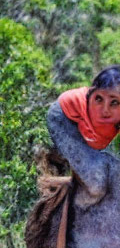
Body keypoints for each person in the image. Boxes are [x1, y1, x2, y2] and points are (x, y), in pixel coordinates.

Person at [47, 66, 120, 206]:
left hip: (89, 132)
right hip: (63, 119)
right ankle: (76, 206)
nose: (105, 110)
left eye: (114, 102)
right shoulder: (82, 110)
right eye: (99, 99)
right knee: (96, 184)